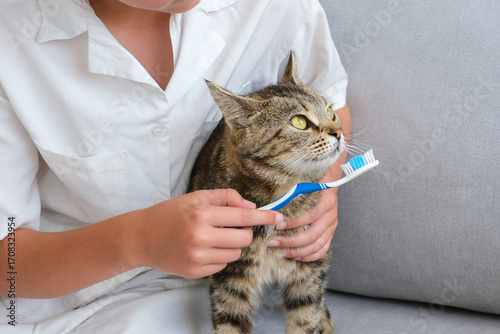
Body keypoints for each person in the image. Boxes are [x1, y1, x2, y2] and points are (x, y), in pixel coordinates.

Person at [0, 0, 350, 332]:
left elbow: (333, 106)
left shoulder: (277, 8)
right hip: (76, 306)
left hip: (231, 297)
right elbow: (7, 263)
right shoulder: (11, 36)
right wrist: (137, 241)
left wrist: (324, 186)